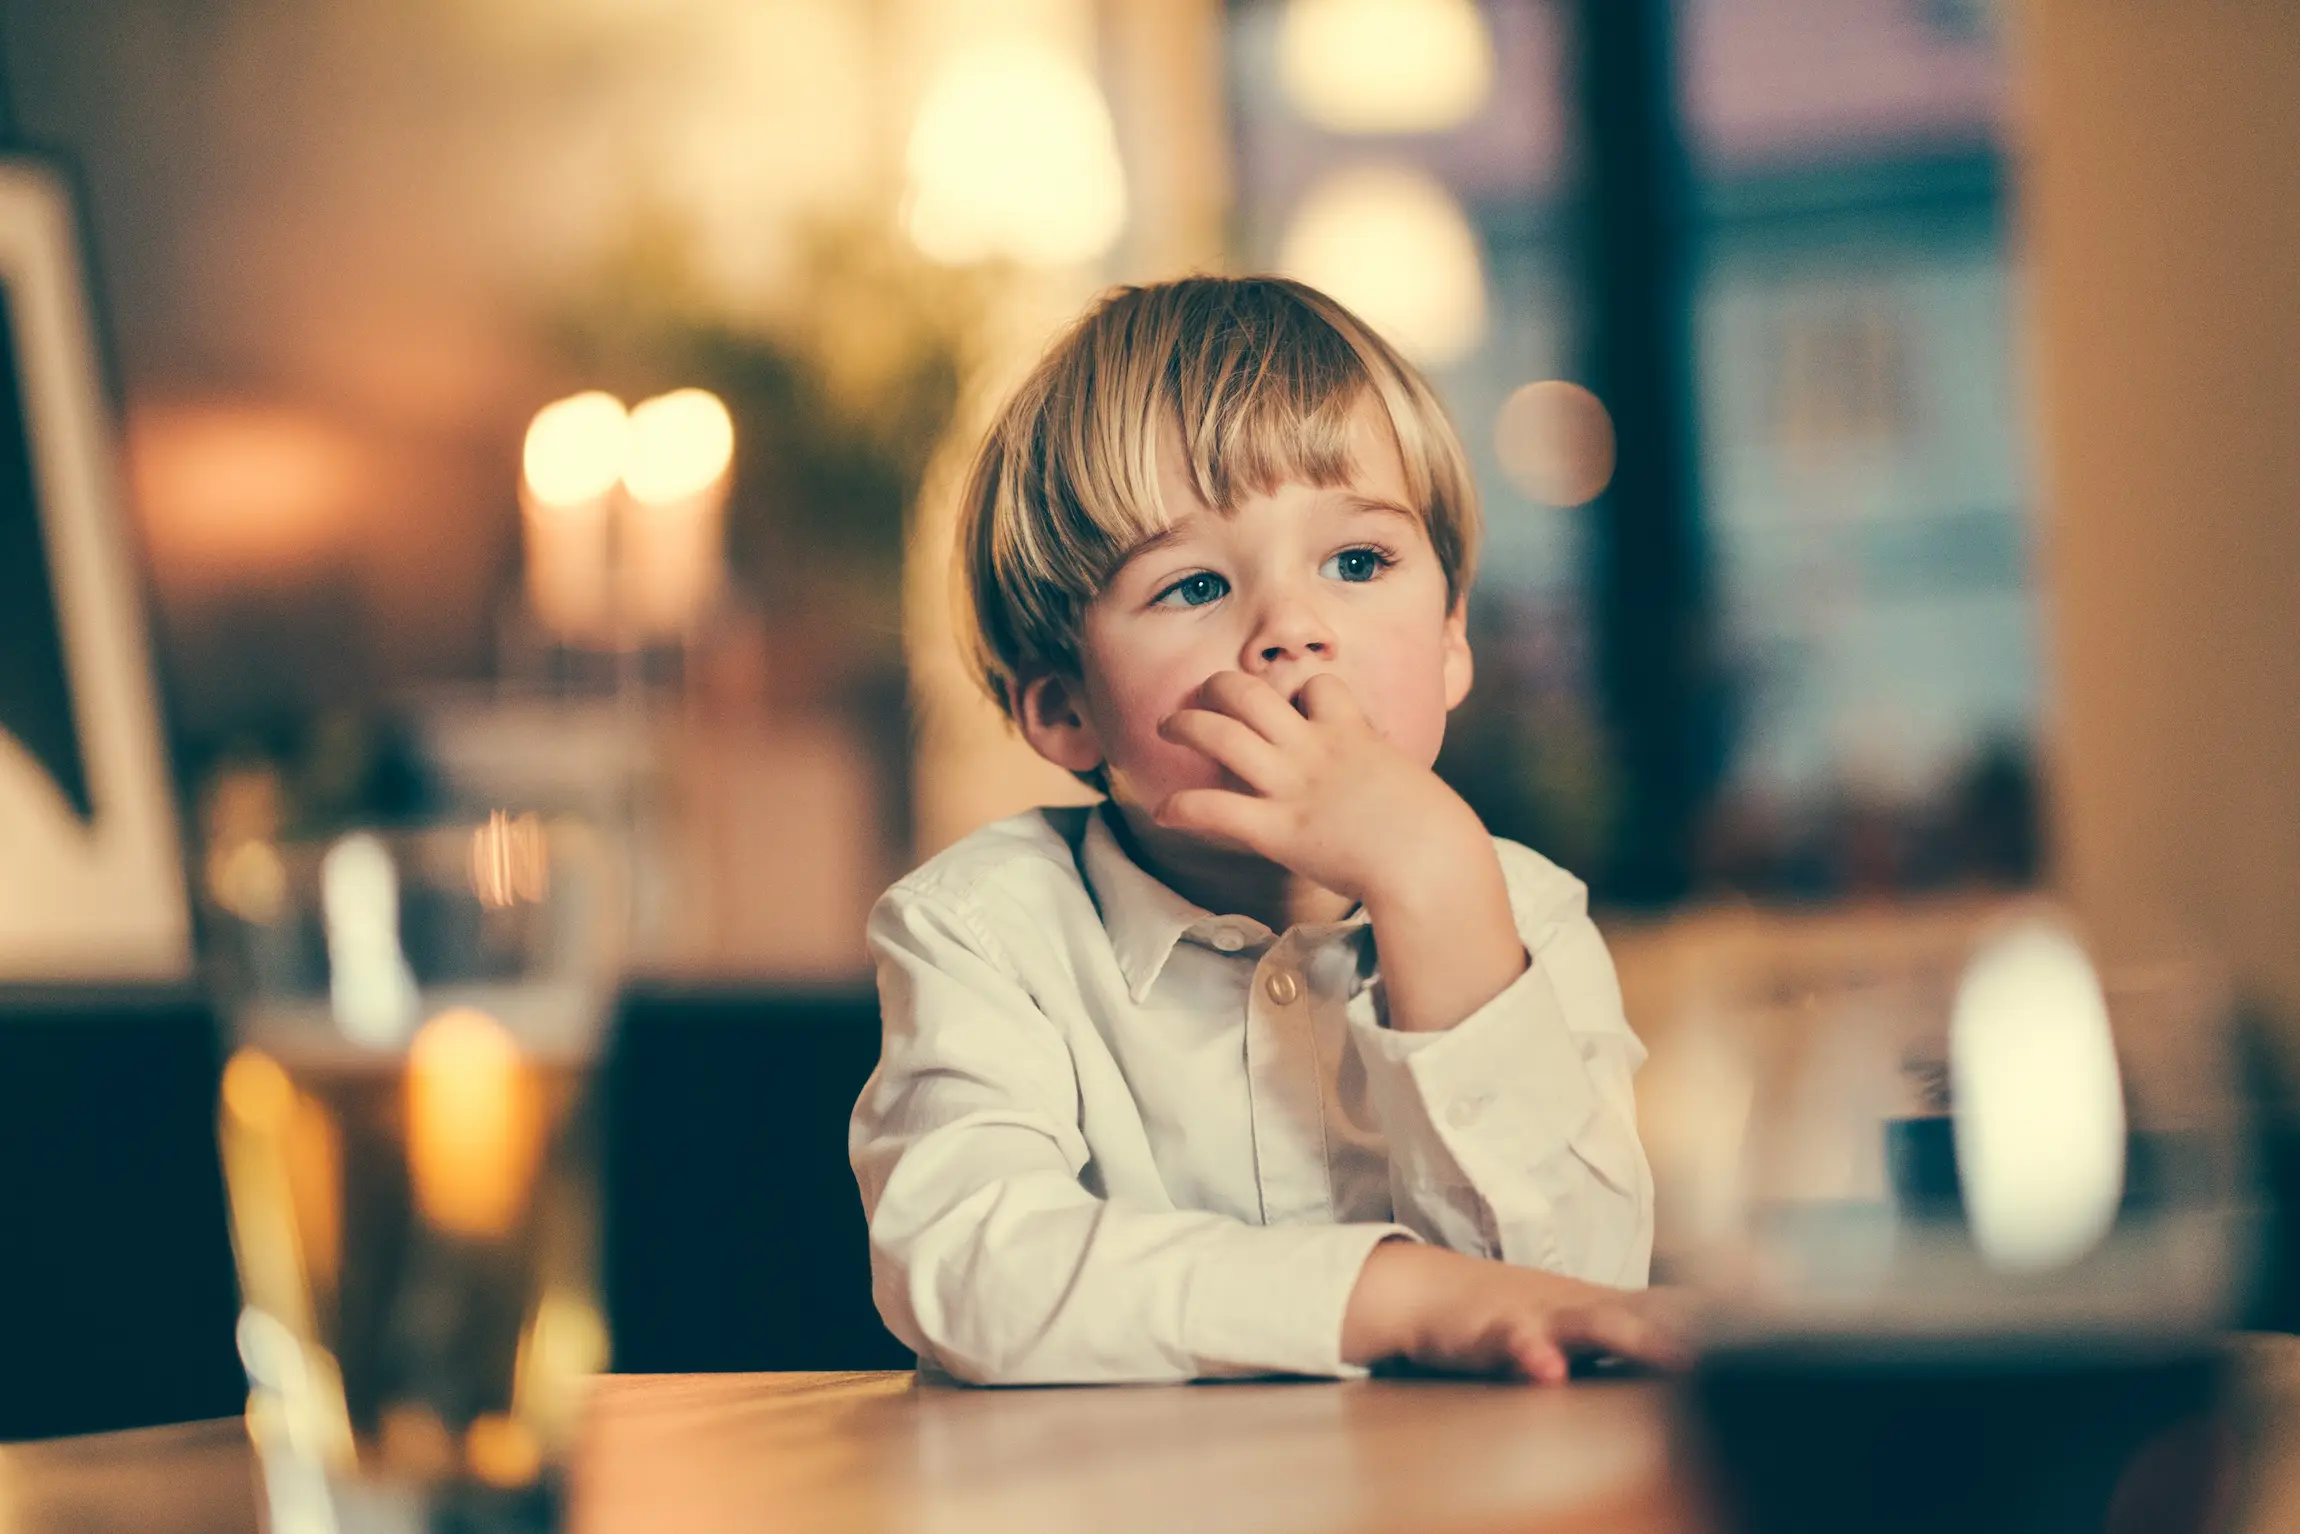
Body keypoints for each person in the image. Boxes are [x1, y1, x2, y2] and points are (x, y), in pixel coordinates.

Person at [850, 275, 1683, 1386]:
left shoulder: (1519, 911)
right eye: (1193, 584)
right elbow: (969, 1265)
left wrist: (1434, 891)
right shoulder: (983, 931)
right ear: (1061, 706)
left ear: (1447, 638)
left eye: (1357, 563)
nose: (1292, 628)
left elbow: (1574, 1290)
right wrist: (1397, 1295)